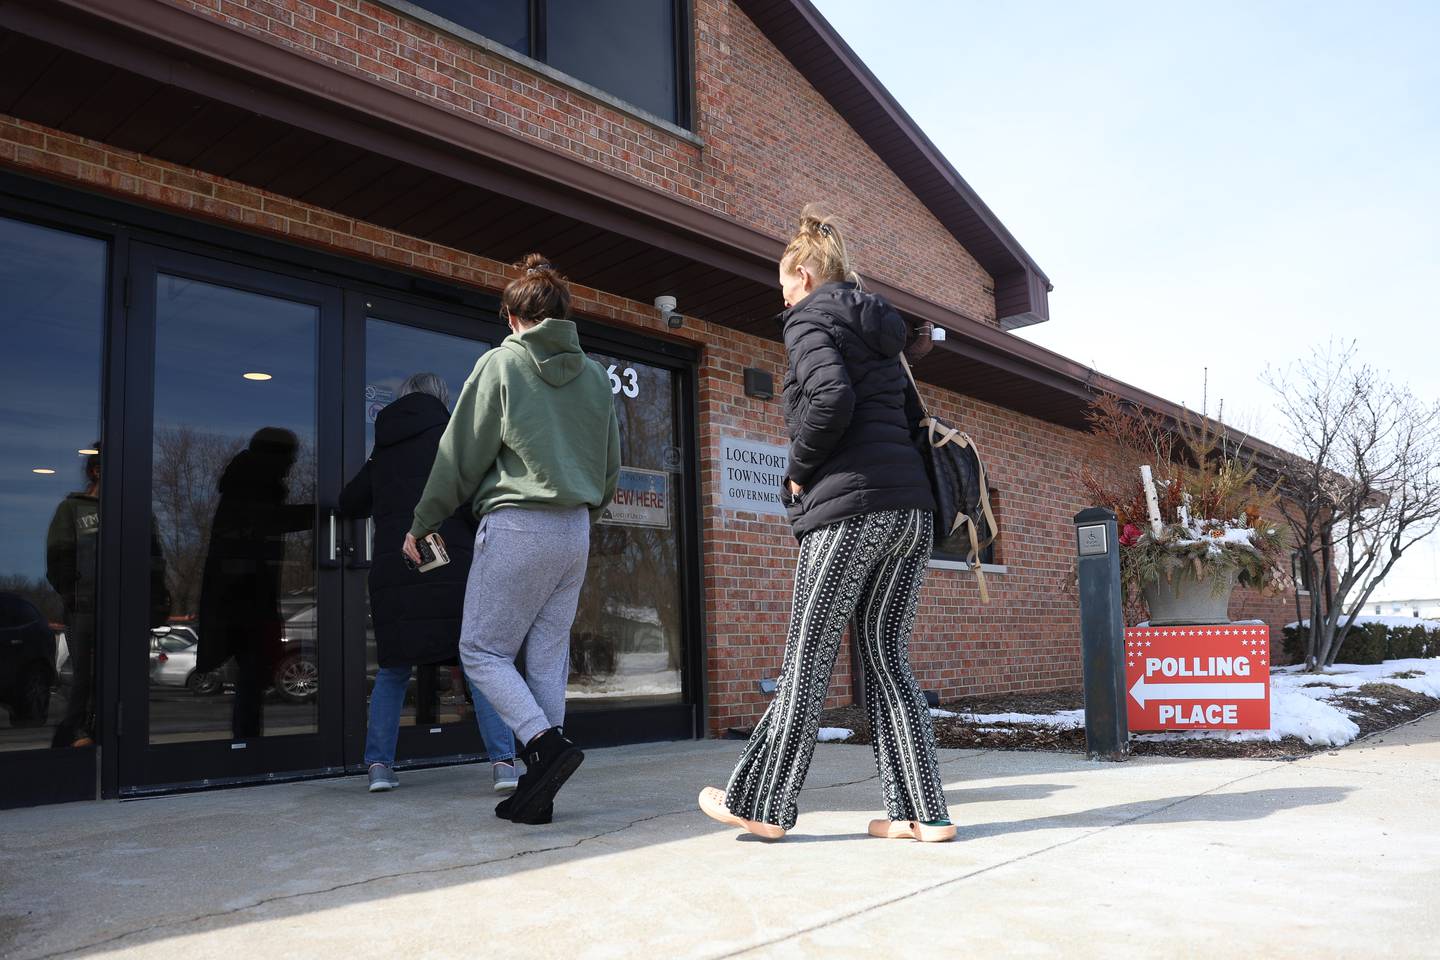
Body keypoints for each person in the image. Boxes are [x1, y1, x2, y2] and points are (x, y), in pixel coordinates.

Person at [698, 208, 955, 842]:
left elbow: (832, 398)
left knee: (806, 658)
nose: (781, 297)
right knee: (887, 657)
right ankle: (922, 815)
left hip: (849, 512)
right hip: (911, 513)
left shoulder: (809, 319)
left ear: (806, 277)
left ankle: (763, 805)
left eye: (784, 284)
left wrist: (797, 470)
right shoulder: (880, 328)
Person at [406, 254, 620, 825]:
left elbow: (459, 455)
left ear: (511, 316)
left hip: (519, 523)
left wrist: (424, 521)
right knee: (547, 657)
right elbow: (610, 465)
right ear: (563, 316)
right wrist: (583, 512)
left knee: (482, 650)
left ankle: (544, 747)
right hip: (573, 529)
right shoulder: (595, 377)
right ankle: (539, 792)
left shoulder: (501, 364)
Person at [341, 373, 519, 794]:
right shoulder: (453, 437)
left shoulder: (383, 450)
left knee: (393, 669)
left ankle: (379, 767)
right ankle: (504, 765)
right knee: (477, 661)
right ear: (441, 398)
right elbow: (478, 503)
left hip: (397, 569)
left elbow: (349, 502)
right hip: (451, 565)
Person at [46, 445, 169, 748]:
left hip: (127, 610)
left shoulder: (138, 514)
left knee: (122, 679)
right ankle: (75, 735)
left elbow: (154, 561)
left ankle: (117, 743)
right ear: (96, 471)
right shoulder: (73, 509)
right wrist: (73, 594)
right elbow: (59, 559)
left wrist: (156, 600)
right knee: (84, 679)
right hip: (86, 607)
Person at [197, 428, 311, 740]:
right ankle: (247, 745)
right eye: (290, 456)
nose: (292, 464)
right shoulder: (252, 487)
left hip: (242, 596)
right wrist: (323, 513)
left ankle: (247, 743)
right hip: (245, 598)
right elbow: (268, 521)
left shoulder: (243, 484)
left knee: (252, 676)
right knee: (251, 674)